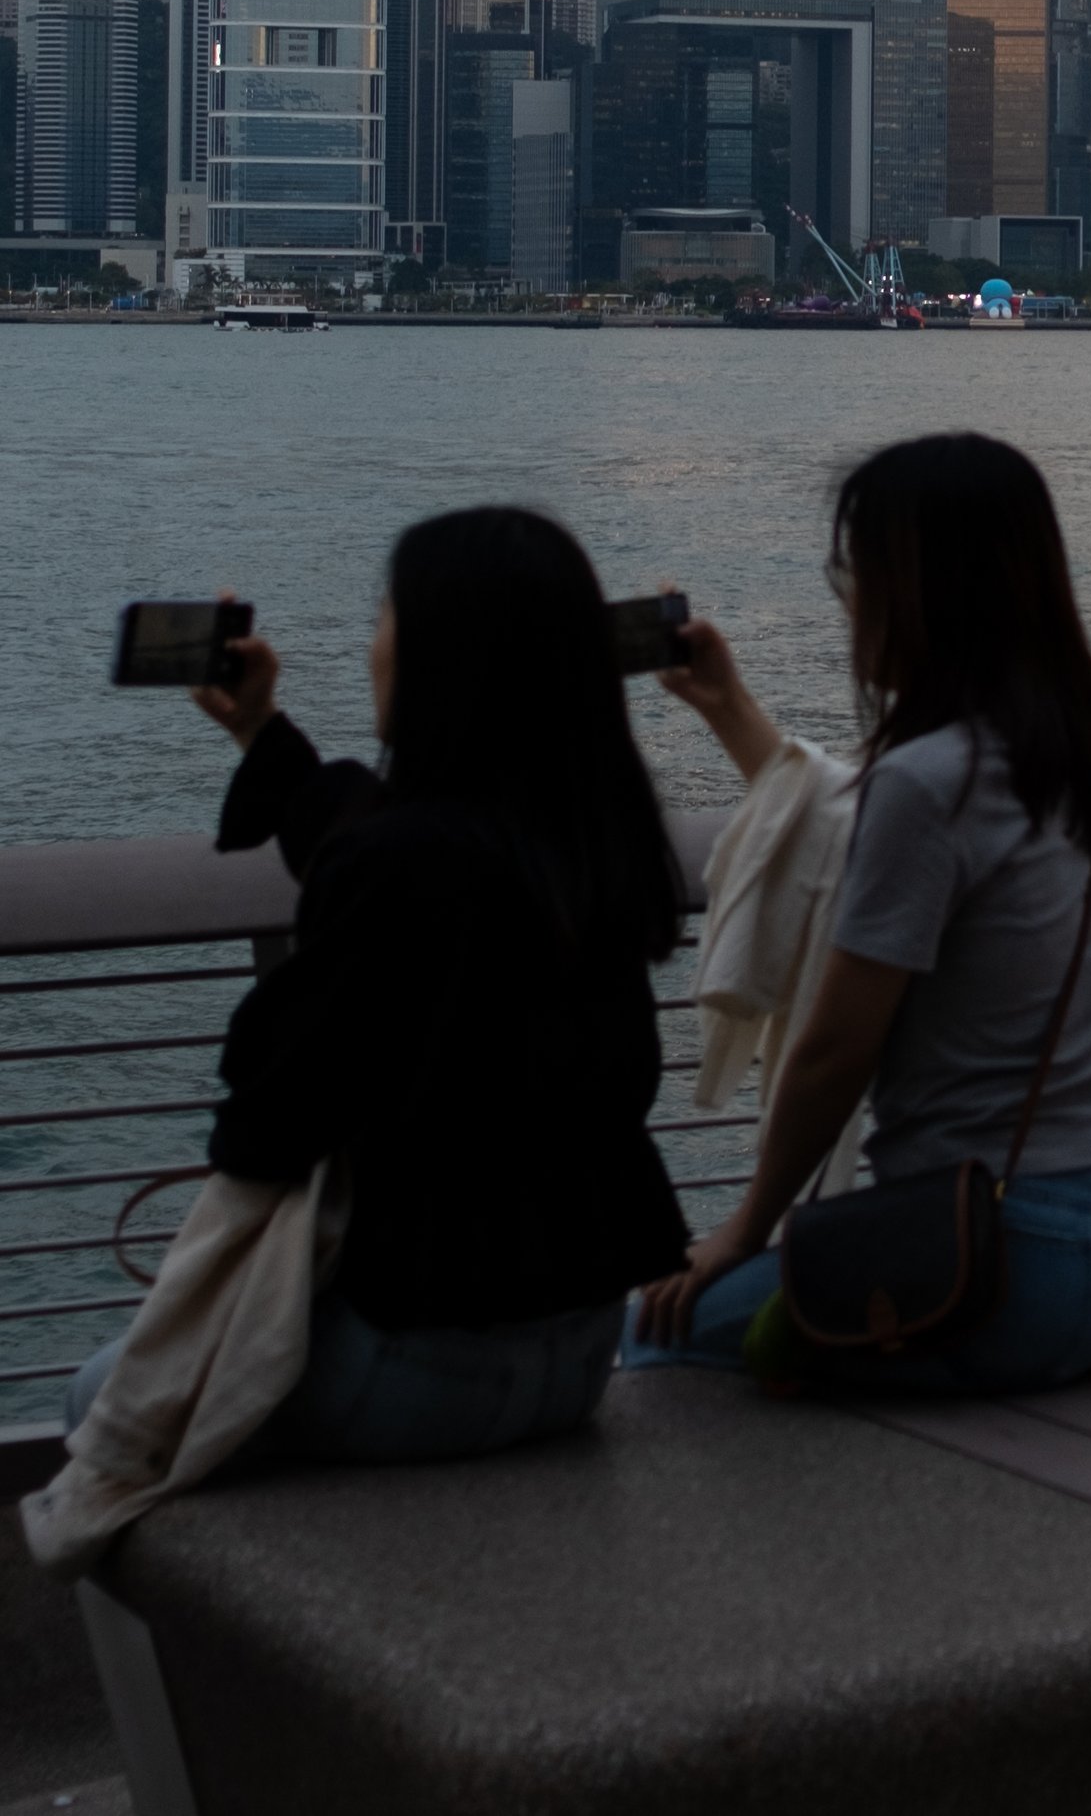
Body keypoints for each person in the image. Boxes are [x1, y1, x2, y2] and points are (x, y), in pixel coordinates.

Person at [67, 509, 690, 1465]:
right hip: (579, 1356)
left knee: (98, 1399)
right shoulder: (598, 844)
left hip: (420, 1362)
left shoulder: (401, 863)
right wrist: (261, 730)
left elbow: (273, 1114)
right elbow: (395, 847)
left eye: (385, 618)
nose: (373, 646)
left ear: (441, 656)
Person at [631, 430, 1091, 1390]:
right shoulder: (1055, 746)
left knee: (658, 1337)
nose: (847, 599)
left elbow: (837, 1050)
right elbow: (846, 830)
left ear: (924, 590)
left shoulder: (925, 782)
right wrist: (727, 708)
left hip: (1005, 1261)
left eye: (857, 571)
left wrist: (744, 1229)